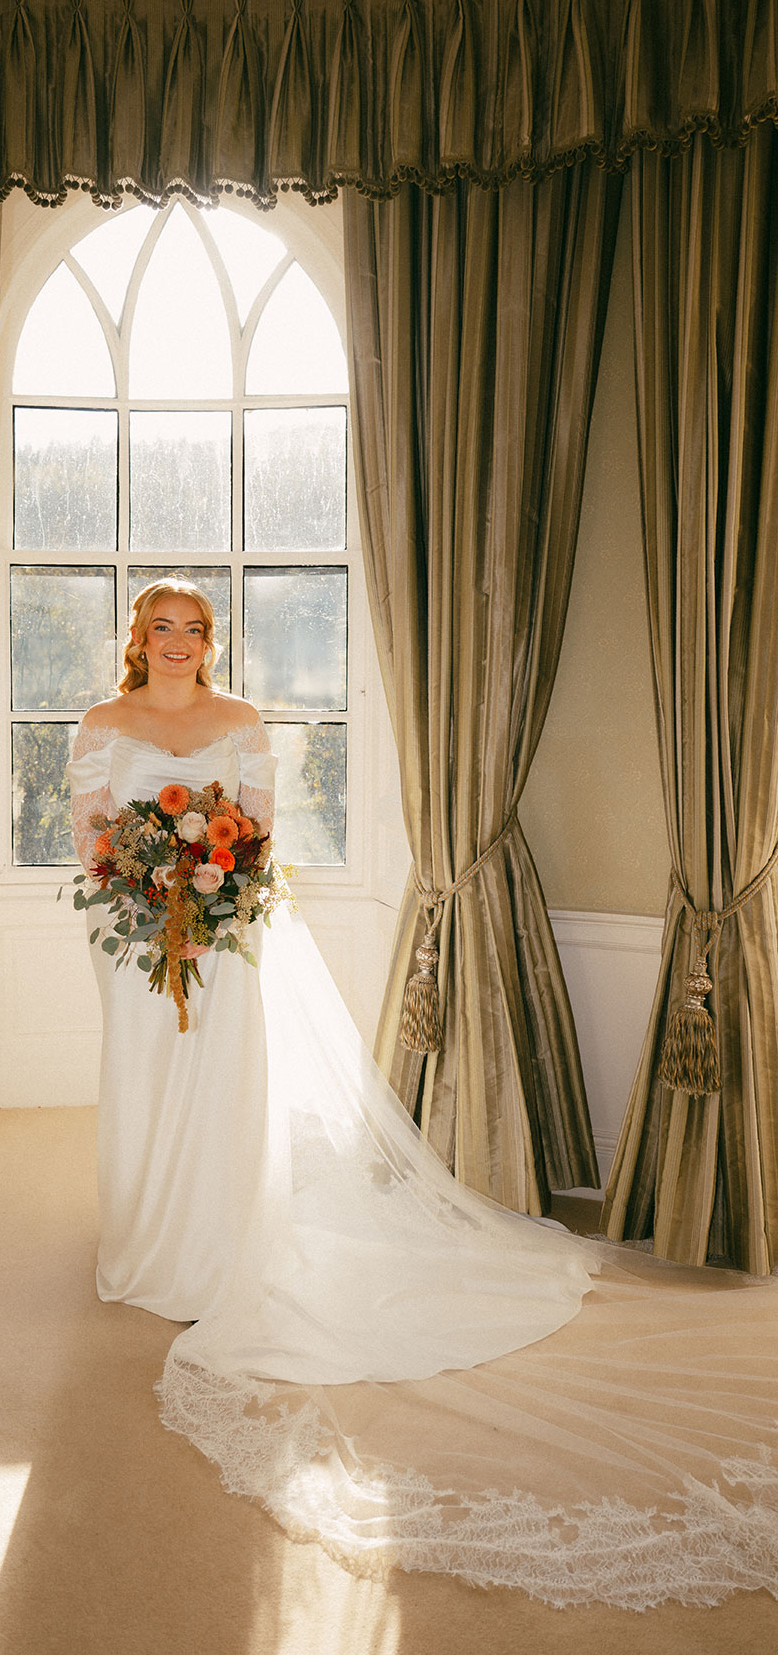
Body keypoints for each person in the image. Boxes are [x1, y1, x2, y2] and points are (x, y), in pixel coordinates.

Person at [66, 579, 778, 1609]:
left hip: (225, 934)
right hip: (136, 937)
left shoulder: (241, 718)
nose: (177, 642)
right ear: (137, 638)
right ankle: (145, 1236)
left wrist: (210, 886)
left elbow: (257, 832)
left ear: (210, 642)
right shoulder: (102, 720)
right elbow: (91, 833)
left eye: (195, 629)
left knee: (219, 1090)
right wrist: (147, 886)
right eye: (161, 628)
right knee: (143, 1084)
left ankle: (216, 1242)